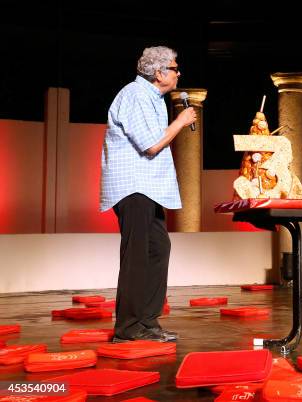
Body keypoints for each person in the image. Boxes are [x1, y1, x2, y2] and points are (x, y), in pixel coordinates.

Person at [99, 46, 197, 342]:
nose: (179, 73)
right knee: (137, 256)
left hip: (148, 188)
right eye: (175, 68)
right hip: (134, 187)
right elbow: (151, 145)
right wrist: (180, 122)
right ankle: (128, 328)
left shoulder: (153, 98)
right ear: (159, 73)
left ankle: (147, 322)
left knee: (158, 249)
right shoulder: (136, 95)